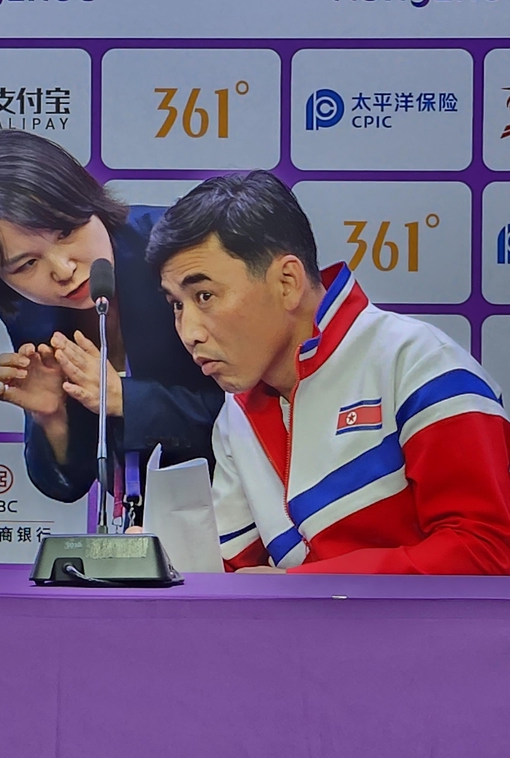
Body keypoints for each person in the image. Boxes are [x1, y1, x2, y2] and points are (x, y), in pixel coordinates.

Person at [147, 170, 510, 574]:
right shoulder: (236, 414)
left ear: (287, 282)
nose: (189, 332)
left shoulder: (418, 362)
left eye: (205, 296)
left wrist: (298, 587)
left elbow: (486, 551)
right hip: (308, 638)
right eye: (177, 304)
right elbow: (231, 572)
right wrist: (158, 562)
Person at [0, 129, 223, 509]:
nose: (63, 269)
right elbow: (65, 485)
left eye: (67, 231)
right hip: (155, 522)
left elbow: (263, 411)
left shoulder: (183, 253)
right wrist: (52, 419)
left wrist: (126, 400)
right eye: (27, 264)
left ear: (87, 200)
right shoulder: (26, 307)